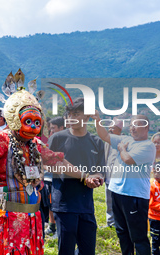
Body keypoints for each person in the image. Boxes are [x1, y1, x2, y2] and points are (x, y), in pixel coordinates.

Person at [0, 87, 78, 255]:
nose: (33, 127)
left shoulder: (35, 144)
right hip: (2, 217)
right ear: (14, 119)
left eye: (37, 122)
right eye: (28, 121)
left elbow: (59, 162)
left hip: (31, 217)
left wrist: (86, 176)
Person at [92, 111, 156, 255]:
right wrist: (97, 120)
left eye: (136, 125)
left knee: (138, 236)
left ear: (146, 128)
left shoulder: (148, 146)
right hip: (117, 192)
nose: (132, 128)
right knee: (122, 232)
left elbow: (128, 159)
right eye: (131, 125)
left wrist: (121, 149)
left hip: (134, 197)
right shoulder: (126, 139)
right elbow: (105, 136)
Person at [49, 97, 105, 255]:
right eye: (69, 114)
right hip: (65, 205)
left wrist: (97, 178)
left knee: (88, 251)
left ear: (87, 116)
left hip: (87, 206)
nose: (71, 118)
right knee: (66, 250)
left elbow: (101, 170)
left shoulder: (96, 142)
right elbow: (48, 164)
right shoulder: (58, 138)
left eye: (76, 114)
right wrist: (83, 176)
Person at [43, 116, 65, 237]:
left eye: (53, 128)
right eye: (50, 129)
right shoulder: (51, 139)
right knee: (51, 204)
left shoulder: (65, 141)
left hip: (57, 178)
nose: (51, 131)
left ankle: (58, 229)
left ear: (61, 127)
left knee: (57, 204)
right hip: (48, 178)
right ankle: (52, 226)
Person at [104, 117, 123, 228]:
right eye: (109, 128)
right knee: (109, 201)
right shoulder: (108, 142)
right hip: (109, 176)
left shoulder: (124, 141)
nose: (110, 130)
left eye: (112, 128)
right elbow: (105, 157)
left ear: (119, 129)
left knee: (119, 202)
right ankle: (110, 222)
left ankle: (119, 222)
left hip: (119, 177)